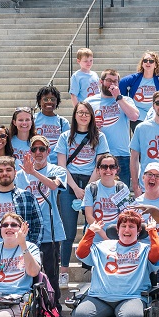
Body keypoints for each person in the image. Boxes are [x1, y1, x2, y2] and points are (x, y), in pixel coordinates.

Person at [69, 209, 159, 317]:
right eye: (124, 226)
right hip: (100, 297)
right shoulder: (103, 246)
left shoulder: (144, 248)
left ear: (138, 230)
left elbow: (157, 255)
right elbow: (81, 253)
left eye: (132, 226)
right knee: (78, 315)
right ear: (118, 229)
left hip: (131, 297)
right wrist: (91, 231)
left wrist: (152, 232)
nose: (127, 230)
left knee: (133, 316)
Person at [54, 102, 110, 268]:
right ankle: (63, 269)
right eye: (80, 112)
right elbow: (61, 167)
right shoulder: (65, 136)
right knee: (68, 232)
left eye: (87, 113)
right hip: (69, 184)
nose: (83, 115)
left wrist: (87, 189)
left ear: (92, 116)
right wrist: (75, 188)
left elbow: (100, 165)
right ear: (75, 115)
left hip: (91, 183)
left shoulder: (100, 137)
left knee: (91, 228)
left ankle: (90, 267)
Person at [15, 137, 68, 292]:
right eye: (34, 149)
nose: (38, 152)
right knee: (28, 276)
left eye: (42, 149)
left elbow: (53, 185)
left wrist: (34, 173)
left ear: (48, 151)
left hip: (50, 231)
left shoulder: (57, 170)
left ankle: (54, 310)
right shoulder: (20, 174)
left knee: (52, 275)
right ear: (29, 152)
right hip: (27, 233)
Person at [90, 69, 141, 187]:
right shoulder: (90, 101)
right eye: (108, 80)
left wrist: (118, 97)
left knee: (121, 196)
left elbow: (134, 116)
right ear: (101, 82)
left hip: (121, 155)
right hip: (97, 154)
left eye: (115, 81)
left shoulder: (125, 100)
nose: (112, 84)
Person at [82, 153, 133, 230]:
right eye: (104, 167)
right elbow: (89, 217)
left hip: (116, 235)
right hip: (95, 235)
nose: (108, 170)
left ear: (117, 169)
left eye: (112, 167)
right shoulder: (91, 188)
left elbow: (128, 214)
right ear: (98, 170)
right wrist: (105, 237)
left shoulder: (122, 188)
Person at [120, 51, 159, 117]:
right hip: (138, 115)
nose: (148, 62)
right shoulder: (135, 78)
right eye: (145, 60)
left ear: (156, 65)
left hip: (155, 115)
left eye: (151, 61)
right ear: (142, 64)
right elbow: (121, 83)